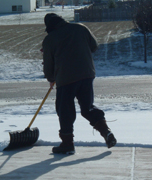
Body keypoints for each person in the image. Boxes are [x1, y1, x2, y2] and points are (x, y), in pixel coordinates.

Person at [42, 13, 116, 154]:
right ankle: (106, 132)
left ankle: (67, 144)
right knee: (87, 108)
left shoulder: (49, 39)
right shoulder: (81, 28)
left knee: (65, 111)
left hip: (65, 79)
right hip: (86, 75)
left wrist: (51, 78)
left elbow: (48, 65)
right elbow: (94, 46)